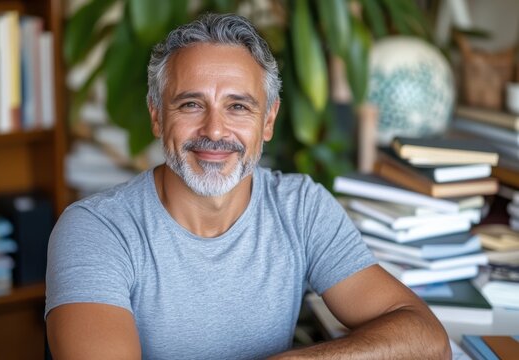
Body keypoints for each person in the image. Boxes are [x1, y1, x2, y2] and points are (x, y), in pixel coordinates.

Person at [45, 13, 451, 359]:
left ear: (268, 121)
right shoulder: (95, 230)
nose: (215, 130)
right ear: (156, 116)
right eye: (191, 104)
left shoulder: (301, 207)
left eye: (238, 106)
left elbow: (427, 338)